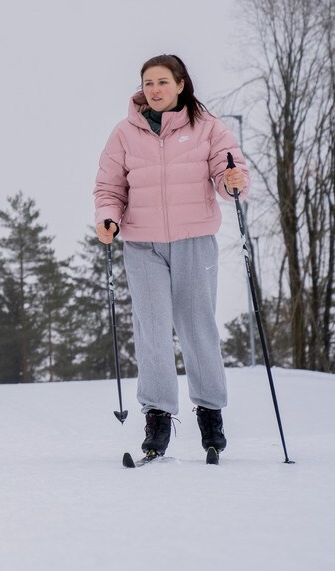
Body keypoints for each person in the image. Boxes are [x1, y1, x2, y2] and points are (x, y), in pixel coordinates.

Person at [93, 54, 249, 459]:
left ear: (181, 84)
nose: (155, 90)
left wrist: (233, 181)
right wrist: (107, 217)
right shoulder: (124, 134)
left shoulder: (208, 128)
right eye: (148, 83)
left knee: (198, 328)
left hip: (194, 241)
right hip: (142, 245)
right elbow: (109, 188)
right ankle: (158, 416)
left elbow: (228, 173)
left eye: (163, 82)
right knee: (152, 332)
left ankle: (210, 413)